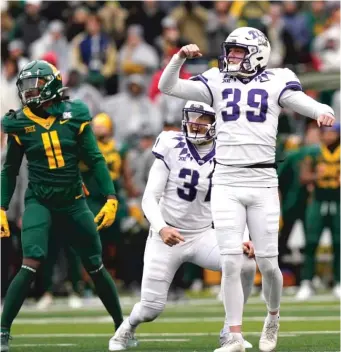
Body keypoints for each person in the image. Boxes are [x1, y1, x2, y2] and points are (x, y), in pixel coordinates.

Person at [157, 27, 335, 352]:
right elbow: (167, 86)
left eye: (238, 51)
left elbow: (298, 101)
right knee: (231, 261)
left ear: (257, 53)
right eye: (231, 51)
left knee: (268, 265)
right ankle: (235, 336)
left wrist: (322, 111)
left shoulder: (277, 79)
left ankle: (273, 315)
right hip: (226, 180)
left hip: (263, 182)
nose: (231, 57)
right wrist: (178, 58)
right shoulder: (216, 79)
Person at [108, 101, 256, 351]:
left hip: (202, 235)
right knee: (150, 309)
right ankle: (126, 328)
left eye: (203, 119)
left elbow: (237, 201)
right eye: (192, 117)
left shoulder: (227, 153)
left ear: (215, 122)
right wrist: (161, 227)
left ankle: (231, 332)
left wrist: (245, 235)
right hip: (166, 236)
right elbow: (149, 197)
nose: (195, 123)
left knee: (246, 264)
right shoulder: (170, 144)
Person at [0, 60, 126, 351]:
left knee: (95, 265)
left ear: (53, 86)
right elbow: (10, 169)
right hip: (39, 200)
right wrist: (2, 207)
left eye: (37, 86)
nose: (30, 93)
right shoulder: (19, 122)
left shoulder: (76, 114)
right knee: (31, 260)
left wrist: (111, 197)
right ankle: (3, 331)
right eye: (26, 87)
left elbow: (95, 158)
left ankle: (122, 327)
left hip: (73, 201)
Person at [297, 123, 340, 300]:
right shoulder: (314, 152)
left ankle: (338, 282)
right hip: (317, 199)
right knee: (311, 242)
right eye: (326, 132)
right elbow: (303, 177)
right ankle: (307, 282)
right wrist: (319, 176)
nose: (329, 136)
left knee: (339, 242)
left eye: (332, 133)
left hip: (338, 200)